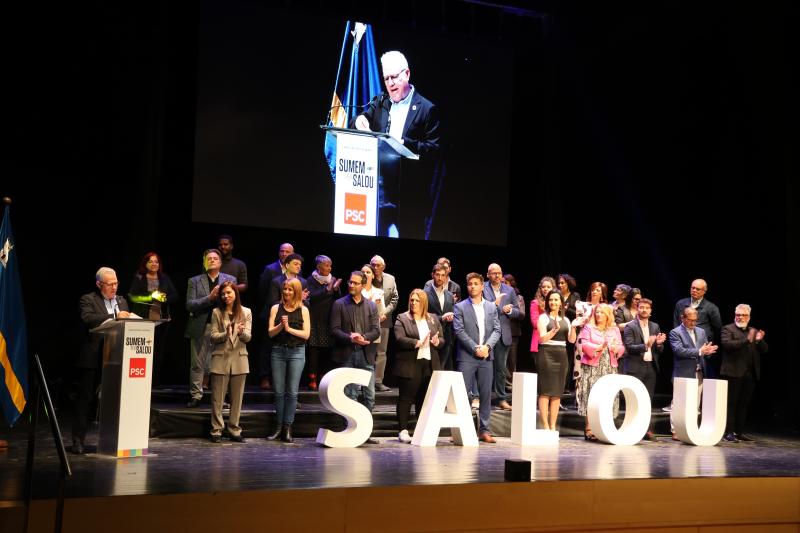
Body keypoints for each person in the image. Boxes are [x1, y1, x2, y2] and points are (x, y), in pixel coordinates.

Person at [353, 51, 441, 239]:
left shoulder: (427, 109)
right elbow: (358, 120)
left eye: (394, 77)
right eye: (386, 78)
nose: (390, 83)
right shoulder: (381, 102)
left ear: (407, 74)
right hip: (379, 194)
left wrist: (404, 143)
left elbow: (434, 149)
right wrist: (360, 120)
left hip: (410, 197)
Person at [73, 267, 131, 454]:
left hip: (116, 357)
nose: (114, 287)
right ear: (99, 284)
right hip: (93, 357)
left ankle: (114, 441)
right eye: (110, 284)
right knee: (85, 400)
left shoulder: (122, 301)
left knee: (115, 400)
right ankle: (78, 440)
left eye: (116, 283)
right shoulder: (88, 299)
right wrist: (114, 316)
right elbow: (88, 319)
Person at [185, 249, 236, 408]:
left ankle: (221, 397)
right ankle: (196, 395)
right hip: (201, 326)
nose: (212, 260)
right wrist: (209, 298)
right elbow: (190, 305)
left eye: (215, 258)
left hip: (222, 327)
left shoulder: (230, 279)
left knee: (221, 364)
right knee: (197, 364)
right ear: (204, 262)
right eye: (209, 258)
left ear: (220, 262)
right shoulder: (194, 281)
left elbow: (234, 302)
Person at [454, 273, 501, 443]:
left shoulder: (491, 307)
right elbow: (459, 331)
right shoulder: (460, 307)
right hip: (467, 356)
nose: (472, 286)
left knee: (486, 394)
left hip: (486, 357)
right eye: (470, 284)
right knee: (462, 394)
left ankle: (484, 430)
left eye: (476, 283)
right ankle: (461, 430)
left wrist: (487, 347)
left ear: (482, 286)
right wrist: (475, 348)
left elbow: (497, 330)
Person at [393, 289, 443, 443]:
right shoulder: (402, 318)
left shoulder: (433, 318)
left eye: (417, 300)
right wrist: (417, 342)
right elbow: (399, 338)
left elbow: (442, 339)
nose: (413, 303)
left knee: (424, 398)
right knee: (406, 397)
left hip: (429, 364)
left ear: (424, 303)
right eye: (412, 300)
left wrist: (437, 341)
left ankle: (421, 429)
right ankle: (403, 430)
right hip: (410, 364)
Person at [330, 271, 381, 419]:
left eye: (355, 283)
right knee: (350, 395)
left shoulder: (371, 306)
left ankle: (365, 426)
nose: (351, 285)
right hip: (347, 354)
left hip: (366, 355)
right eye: (350, 282)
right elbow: (334, 330)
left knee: (370, 396)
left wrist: (363, 337)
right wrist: (350, 338)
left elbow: (376, 330)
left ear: (363, 285)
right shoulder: (339, 304)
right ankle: (350, 426)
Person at [267, 278, 310, 443]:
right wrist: (280, 326)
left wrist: (288, 329)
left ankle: (287, 427)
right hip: (278, 351)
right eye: (285, 289)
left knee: (292, 392)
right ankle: (278, 427)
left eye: (290, 289)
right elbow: (270, 333)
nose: (286, 292)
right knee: (279, 392)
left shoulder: (303, 310)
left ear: (296, 291)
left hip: (297, 352)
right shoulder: (275, 308)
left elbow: (306, 335)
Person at [208, 281, 251, 443]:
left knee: (237, 399)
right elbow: (213, 336)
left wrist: (240, 333)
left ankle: (234, 429)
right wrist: (225, 334)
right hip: (221, 358)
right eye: (223, 294)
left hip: (240, 358)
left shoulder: (246, 312)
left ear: (235, 293)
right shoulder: (216, 312)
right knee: (217, 399)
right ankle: (216, 430)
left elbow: (248, 337)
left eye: (229, 293)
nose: (226, 296)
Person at [127, 252, 178, 386]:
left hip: (161, 320)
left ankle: (154, 381)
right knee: (142, 350)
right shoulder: (139, 277)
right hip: (143, 320)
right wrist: (151, 296)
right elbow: (133, 297)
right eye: (150, 261)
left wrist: (164, 298)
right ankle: (140, 380)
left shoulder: (164, 278)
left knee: (158, 351)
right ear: (145, 264)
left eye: (156, 261)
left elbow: (175, 295)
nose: (154, 264)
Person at [668, 306, 718, 439]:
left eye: (695, 320)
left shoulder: (701, 331)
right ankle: (675, 430)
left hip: (699, 371)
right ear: (682, 318)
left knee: (695, 403)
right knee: (679, 403)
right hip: (683, 372)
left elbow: (704, 349)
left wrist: (708, 351)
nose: (693, 323)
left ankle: (691, 428)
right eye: (690, 320)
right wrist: (700, 351)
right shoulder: (675, 332)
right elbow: (679, 351)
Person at [576, 303, 624, 441]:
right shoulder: (588, 327)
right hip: (592, 366)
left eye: (602, 312)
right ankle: (589, 428)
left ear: (608, 315)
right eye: (597, 312)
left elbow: (621, 346)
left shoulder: (614, 329)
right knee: (591, 395)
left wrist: (616, 349)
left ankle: (605, 427)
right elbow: (584, 344)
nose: (598, 314)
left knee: (607, 396)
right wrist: (598, 347)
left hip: (609, 366)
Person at [720, 304, 767, 443]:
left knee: (744, 404)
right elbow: (728, 345)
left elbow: (764, 350)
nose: (740, 317)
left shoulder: (753, 330)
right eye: (738, 315)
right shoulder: (728, 329)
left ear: (749, 317)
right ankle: (728, 432)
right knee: (731, 403)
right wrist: (747, 340)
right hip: (733, 372)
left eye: (743, 315)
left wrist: (759, 341)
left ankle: (739, 432)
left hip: (750, 373)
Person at [622, 298, 666, 441]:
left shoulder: (655, 326)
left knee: (647, 400)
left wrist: (659, 344)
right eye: (641, 307)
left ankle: (645, 430)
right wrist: (646, 345)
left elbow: (659, 350)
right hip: (635, 367)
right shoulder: (630, 326)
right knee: (634, 399)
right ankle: (631, 428)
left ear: (651, 311)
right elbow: (629, 347)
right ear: (637, 309)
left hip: (650, 367)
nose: (644, 310)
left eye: (647, 308)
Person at [536, 290, 579, 430]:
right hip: (546, 353)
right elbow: (542, 339)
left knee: (557, 392)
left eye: (556, 300)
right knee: (545, 391)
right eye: (550, 300)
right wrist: (554, 330)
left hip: (561, 355)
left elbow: (571, 340)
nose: (553, 302)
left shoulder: (566, 320)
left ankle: (553, 426)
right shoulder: (543, 318)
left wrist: (574, 327)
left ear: (561, 302)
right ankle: (545, 425)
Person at [257, 242, 294, 390]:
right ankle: (265, 377)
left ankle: (281, 379)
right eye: (282, 251)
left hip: (289, 315)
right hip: (270, 313)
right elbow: (262, 292)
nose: (284, 254)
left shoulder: (296, 270)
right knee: (267, 347)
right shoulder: (270, 269)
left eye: (287, 252)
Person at [483, 263, 520, 410]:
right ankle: (480, 397)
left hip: (503, 334)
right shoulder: (482, 288)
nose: (497, 275)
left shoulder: (509, 290)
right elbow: (479, 308)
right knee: (484, 367)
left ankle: (501, 399)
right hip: (486, 334)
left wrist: (509, 310)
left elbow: (518, 312)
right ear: (488, 275)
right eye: (493, 273)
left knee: (500, 369)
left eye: (499, 272)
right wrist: (495, 305)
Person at [305, 255, 342, 390]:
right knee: (313, 350)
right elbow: (311, 298)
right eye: (326, 265)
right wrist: (326, 289)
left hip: (328, 320)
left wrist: (336, 290)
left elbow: (338, 300)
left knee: (327, 350)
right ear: (318, 267)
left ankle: (323, 377)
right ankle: (312, 378)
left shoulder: (332, 280)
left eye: (330, 265)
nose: (329, 268)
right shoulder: (310, 280)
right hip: (314, 319)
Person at [672, 279, 722, 377]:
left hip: (701, 347)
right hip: (683, 346)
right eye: (693, 288)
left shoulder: (711, 308)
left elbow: (718, 328)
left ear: (704, 291)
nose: (694, 290)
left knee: (700, 376)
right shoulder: (681, 304)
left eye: (698, 289)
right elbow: (676, 324)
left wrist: (708, 346)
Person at [369, 255, 398, 392]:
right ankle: (363, 382)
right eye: (373, 265)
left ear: (383, 267)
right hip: (368, 320)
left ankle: (378, 381)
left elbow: (395, 298)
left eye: (378, 265)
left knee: (381, 352)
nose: (375, 268)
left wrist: (385, 313)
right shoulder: (366, 276)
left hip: (384, 320)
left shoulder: (390, 279)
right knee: (367, 351)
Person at [424, 263, 456, 370]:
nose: (440, 278)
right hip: (430, 334)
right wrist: (441, 318)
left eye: (443, 275)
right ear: (432, 275)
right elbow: (423, 314)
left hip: (446, 335)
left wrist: (451, 317)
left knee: (442, 367)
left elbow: (452, 312)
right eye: (437, 275)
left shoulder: (449, 295)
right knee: (430, 368)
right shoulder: (425, 293)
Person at [502, 274, 526, 390]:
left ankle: (511, 383)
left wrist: (509, 310)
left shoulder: (518, 298)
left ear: (511, 285)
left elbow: (521, 314)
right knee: (500, 360)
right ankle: (503, 383)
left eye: (505, 283)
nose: (503, 285)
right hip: (498, 332)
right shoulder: (498, 296)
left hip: (512, 333)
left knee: (511, 360)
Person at [529, 276, 556, 363]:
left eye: (548, 287)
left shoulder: (557, 303)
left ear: (553, 288)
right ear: (540, 289)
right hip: (540, 341)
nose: (546, 289)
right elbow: (534, 323)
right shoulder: (535, 303)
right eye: (543, 287)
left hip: (555, 340)